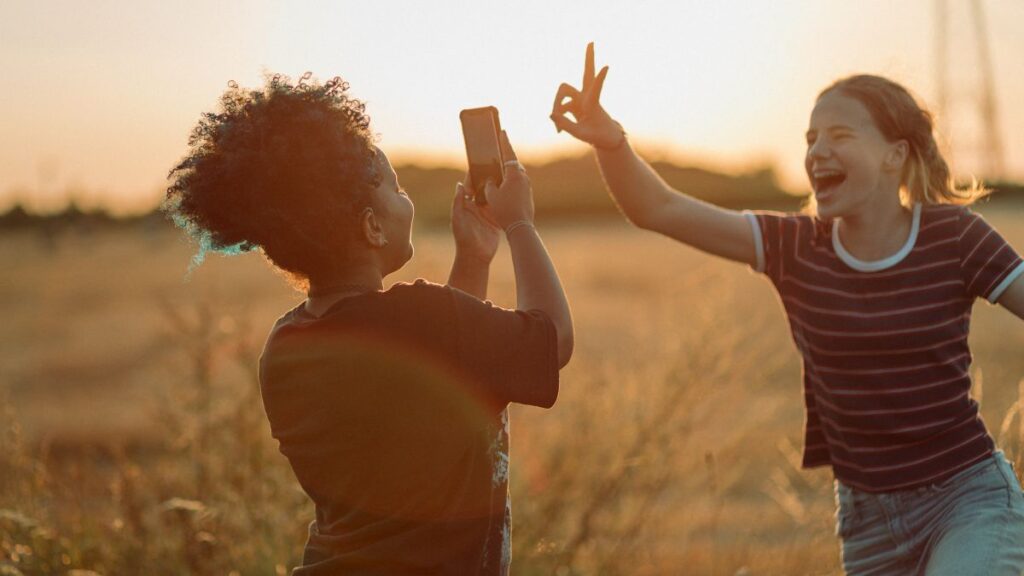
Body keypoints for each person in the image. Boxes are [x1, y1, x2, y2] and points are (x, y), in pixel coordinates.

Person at [550, 43, 1024, 574]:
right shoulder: (796, 248)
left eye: (839, 135)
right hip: (868, 526)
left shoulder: (954, 237)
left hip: (967, 501)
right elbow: (658, 208)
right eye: (811, 138)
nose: (818, 151)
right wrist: (612, 142)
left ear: (894, 155)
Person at [164, 73, 573, 575]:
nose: (408, 200)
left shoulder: (286, 348)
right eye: (397, 188)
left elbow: (433, 384)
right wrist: (520, 223)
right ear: (372, 226)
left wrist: (473, 257)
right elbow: (553, 339)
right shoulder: (421, 318)